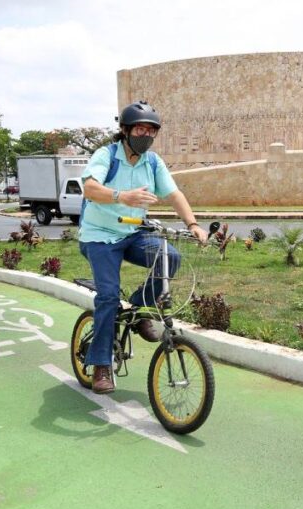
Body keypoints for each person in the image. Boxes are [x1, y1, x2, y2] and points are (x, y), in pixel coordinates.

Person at [78, 100, 209, 394]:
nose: (145, 135)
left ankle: (138, 311)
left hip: (134, 233)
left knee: (169, 257)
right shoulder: (106, 155)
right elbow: (89, 188)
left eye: (151, 130)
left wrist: (193, 225)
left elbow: (174, 194)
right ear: (125, 130)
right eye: (139, 128)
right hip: (99, 236)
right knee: (109, 296)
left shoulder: (152, 161)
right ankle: (100, 364)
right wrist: (121, 196)